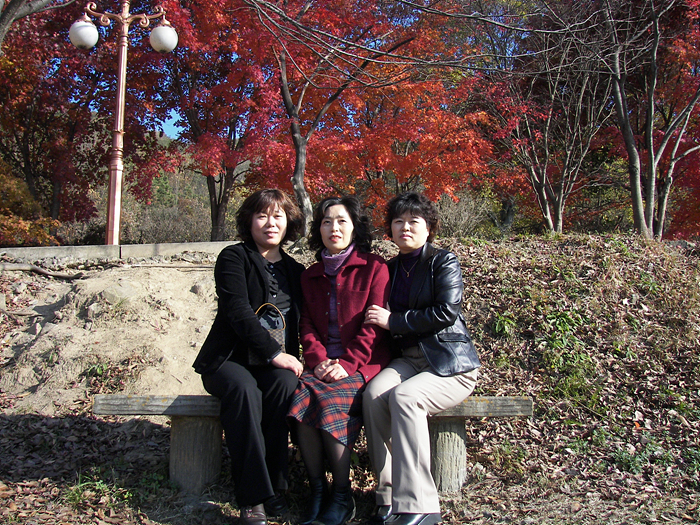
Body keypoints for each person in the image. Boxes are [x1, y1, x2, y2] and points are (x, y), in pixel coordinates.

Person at [363, 192, 481, 525]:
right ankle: (388, 495)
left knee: (405, 397)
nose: (405, 227)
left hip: (448, 363)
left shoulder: (443, 262)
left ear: (429, 227)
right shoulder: (389, 268)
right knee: (373, 395)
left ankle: (420, 505)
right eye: (398, 221)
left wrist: (394, 321)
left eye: (414, 221)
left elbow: (445, 312)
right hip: (408, 360)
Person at [192, 189, 306, 525]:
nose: (271, 223)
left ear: (289, 222)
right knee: (245, 391)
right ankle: (253, 497)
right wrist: (274, 353)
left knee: (284, 385)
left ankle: (276, 486)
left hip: (274, 365)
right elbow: (238, 311)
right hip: (229, 360)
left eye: (278, 216)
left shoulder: (296, 271)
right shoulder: (233, 257)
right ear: (249, 221)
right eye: (262, 216)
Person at [288, 196, 391, 525]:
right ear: (318, 229)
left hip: (362, 364)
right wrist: (317, 359)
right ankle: (318, 490)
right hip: (322, 364)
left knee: (331, 401)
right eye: (326, 221)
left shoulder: (374, 268)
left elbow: (374, 327)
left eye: (342, 221)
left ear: (354, 227)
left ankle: (343, 495)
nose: (334, 228)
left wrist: (347, 364)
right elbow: (306, 324)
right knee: (300, 399)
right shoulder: (310, 275)